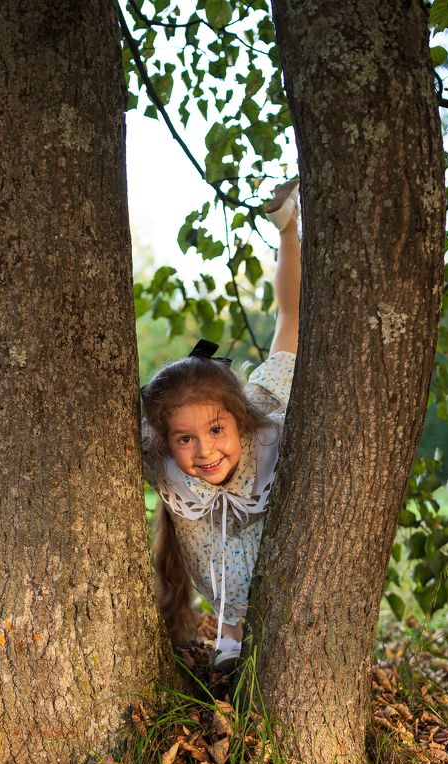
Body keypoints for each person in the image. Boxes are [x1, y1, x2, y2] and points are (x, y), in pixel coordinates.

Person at [140, 179, 301, 667]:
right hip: (226, 595)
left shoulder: (269, 437)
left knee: (290, 324)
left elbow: (290, 317)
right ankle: (231, 631)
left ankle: (289, 228)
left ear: (239, 420)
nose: (205, 452)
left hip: (274, 595)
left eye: (215, 431)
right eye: (185, 439)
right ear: (167, 440)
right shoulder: (162, 464)